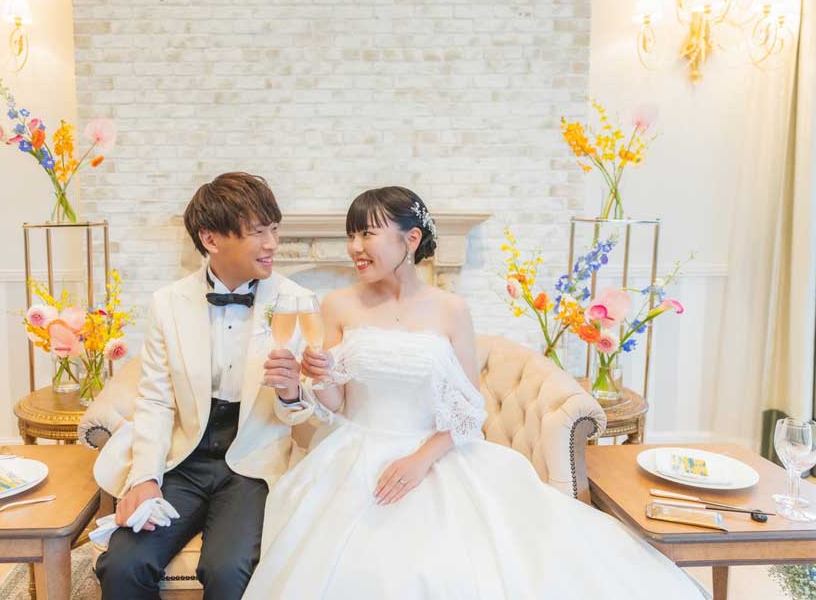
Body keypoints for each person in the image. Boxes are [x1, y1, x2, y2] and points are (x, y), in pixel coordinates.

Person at [242, 186, 704, 599]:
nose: (355, 248)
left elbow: (468, 408)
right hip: (353, 454)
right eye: (351, 236)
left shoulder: (450, 310)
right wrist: (320, 377)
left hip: (434, 454)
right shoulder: (337, 304)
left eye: (367, 234)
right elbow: (336, 405)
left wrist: (419, 460)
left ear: (411, 239)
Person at [95, 172, 315, 600]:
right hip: (185, 458)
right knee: (123, 565)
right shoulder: (168, 303)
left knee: (228, 571)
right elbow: (155, 399)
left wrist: (292, 391)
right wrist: (145, 477)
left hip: (252, 463)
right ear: (211, 239)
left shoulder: (295, 301)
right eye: (257, 232)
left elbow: (307, 411)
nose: (272, 243)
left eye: (274, 229)